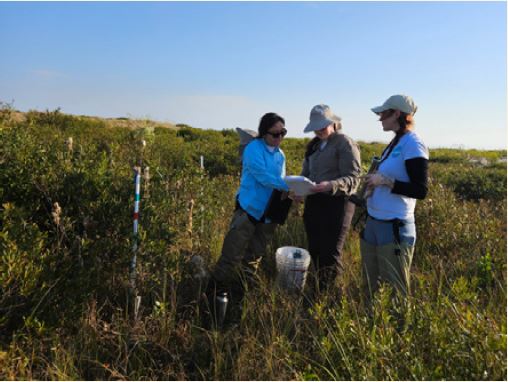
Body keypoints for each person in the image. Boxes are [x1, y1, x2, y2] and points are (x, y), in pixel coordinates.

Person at [204, 112, 290, 324]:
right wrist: (287, 185)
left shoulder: (281, 156)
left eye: (283, 133)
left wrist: (292, 191)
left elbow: (279, 182)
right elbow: (262, 176)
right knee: (230, 257)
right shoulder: (253, 149)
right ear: (264, 133)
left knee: (252, 260)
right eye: (275, 133)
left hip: (268, 216)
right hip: (248, 211)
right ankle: (210, 302)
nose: (279, 137)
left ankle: (237, 302)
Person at [361, 94, 429, 299]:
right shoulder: (395, 143)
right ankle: (370, 327)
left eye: (383, 114)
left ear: (397, 114)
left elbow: (420, 190)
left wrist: (385, 182)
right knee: (370, 285)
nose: (380, 118)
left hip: (394, 227)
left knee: (394, 291)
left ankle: (399, 330)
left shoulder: (413, 144)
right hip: (374, 223)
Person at [297, 104, 362, 296]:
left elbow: (353, 179)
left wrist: (330, 185)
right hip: (315, 203)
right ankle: (316, 292)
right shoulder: (314, 146)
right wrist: (299, 190)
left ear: (333, 123)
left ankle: (330, 298)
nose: (319, 130)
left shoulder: (344, 143)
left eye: (322, 125)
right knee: (315, 249)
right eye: (316, 127)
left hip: (337, 204)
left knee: (330, 253)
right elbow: (305, 175)